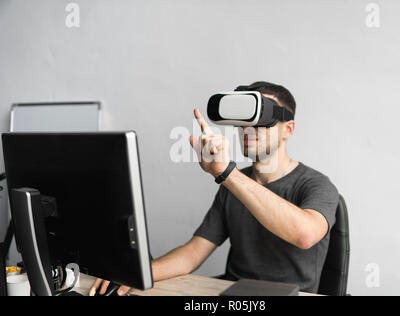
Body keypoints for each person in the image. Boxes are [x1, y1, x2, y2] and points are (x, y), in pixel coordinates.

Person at [89, 82, 339, 296]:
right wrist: (135, 275)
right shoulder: (233, 184)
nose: (248, 129)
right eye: (244, 121)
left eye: (262, 120)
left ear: (289, 129)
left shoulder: (316, 185)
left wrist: (226, 173)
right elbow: (193, 253)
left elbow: (305, 235)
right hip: (235, 295)